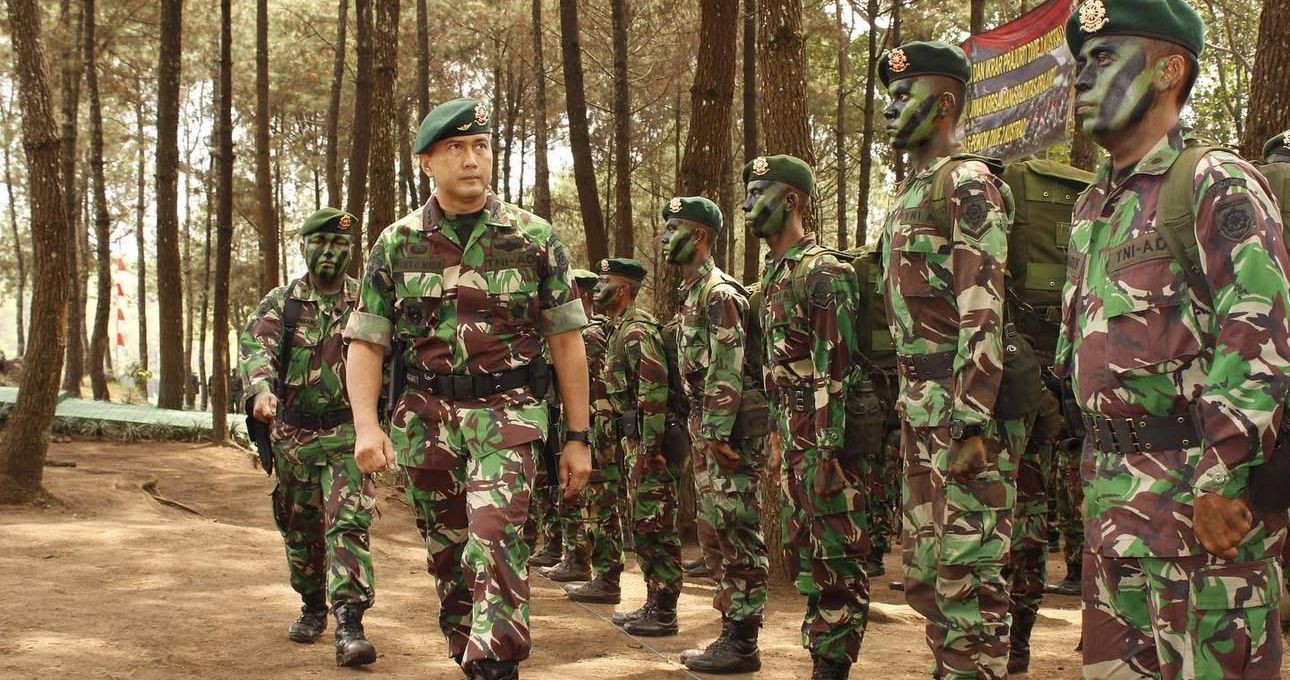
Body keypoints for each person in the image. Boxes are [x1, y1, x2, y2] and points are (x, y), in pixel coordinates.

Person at [1058, 2, 1290, 677]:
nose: (1082, 76)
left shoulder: (1213, 183)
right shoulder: (1093, 207)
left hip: (1202, 510)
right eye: (1081, 62)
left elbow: (1261, 331)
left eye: (1104, 58)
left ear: (1169, 71)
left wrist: (1223, 478)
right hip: (1113, 507)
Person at [342, 97, 591, 680]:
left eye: (480, 146)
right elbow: (367, 343)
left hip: (508, 416)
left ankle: (496, 665)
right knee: (449, 555)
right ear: (427, 162)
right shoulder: (396, 244)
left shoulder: (533, 238)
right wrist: (366, 427)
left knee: (495, 537)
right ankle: (469, 653)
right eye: (455, 148)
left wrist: (579, 437)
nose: (471, 159)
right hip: (426, 422)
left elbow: (567, 343)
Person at [878, 41, 1030, 680]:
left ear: (944, 104)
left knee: (971, 569)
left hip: (963, 410)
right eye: (887, 97)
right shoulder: (908, 192)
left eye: (902, 95)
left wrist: (971, 419)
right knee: (927, 571)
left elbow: (981, 306)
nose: (889, 108)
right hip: (921, 407)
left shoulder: (967, 184)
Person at [744, 154, 870, 680]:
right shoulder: (775, 276)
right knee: (807, 554)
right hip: (794, 435)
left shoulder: (825, 271)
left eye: (759, 193)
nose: (748, 205)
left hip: (825, 444)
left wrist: (826, 450)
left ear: (791, 199)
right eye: (747, 194)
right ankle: (823, 655)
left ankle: (833, 666)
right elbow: (777, 370)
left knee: (837, 555)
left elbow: (832, 368)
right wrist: (778, 438)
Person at [239, 207, 377, 667]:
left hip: (347, 434)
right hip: (293, 437)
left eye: (339, 244)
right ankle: (313, 603)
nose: (329, 252)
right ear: (303, 247)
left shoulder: (367, 302)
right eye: (320, 242)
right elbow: (256, 348)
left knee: (348, 523)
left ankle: (350, 623)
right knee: (301, 530)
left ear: (350, 251)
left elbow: (389, 354)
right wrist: (261, 390)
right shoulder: (282, 304)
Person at [661, 196, 770, 673]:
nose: (665, 238)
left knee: (737, 528)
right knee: (715, 531)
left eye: (674, 229)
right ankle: (733, 633)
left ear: (700, 236)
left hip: (728, 433)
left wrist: (718, 434)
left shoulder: (719, 294)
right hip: (707, 429)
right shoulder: (692, 294)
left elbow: (728, 367)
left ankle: (743, 643)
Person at [597, 258, 684, 637]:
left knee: (656, 524)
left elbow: (654, 389)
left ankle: (665, 610)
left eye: (605, 282)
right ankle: (654, 599)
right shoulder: (618, 329)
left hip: (652, 445)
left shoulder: (636, 331)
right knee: (644, 524)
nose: (597, 288)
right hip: (637, 441)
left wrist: (651, 448)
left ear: (622, 290)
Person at [565, 268, 629, 604]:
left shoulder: (590, 335)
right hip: (593, 426)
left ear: (583, 296)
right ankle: (599, 571)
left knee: (601, 501)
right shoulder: (593, 331)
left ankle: (608, 577)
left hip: (599, 429)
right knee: (592, 500)